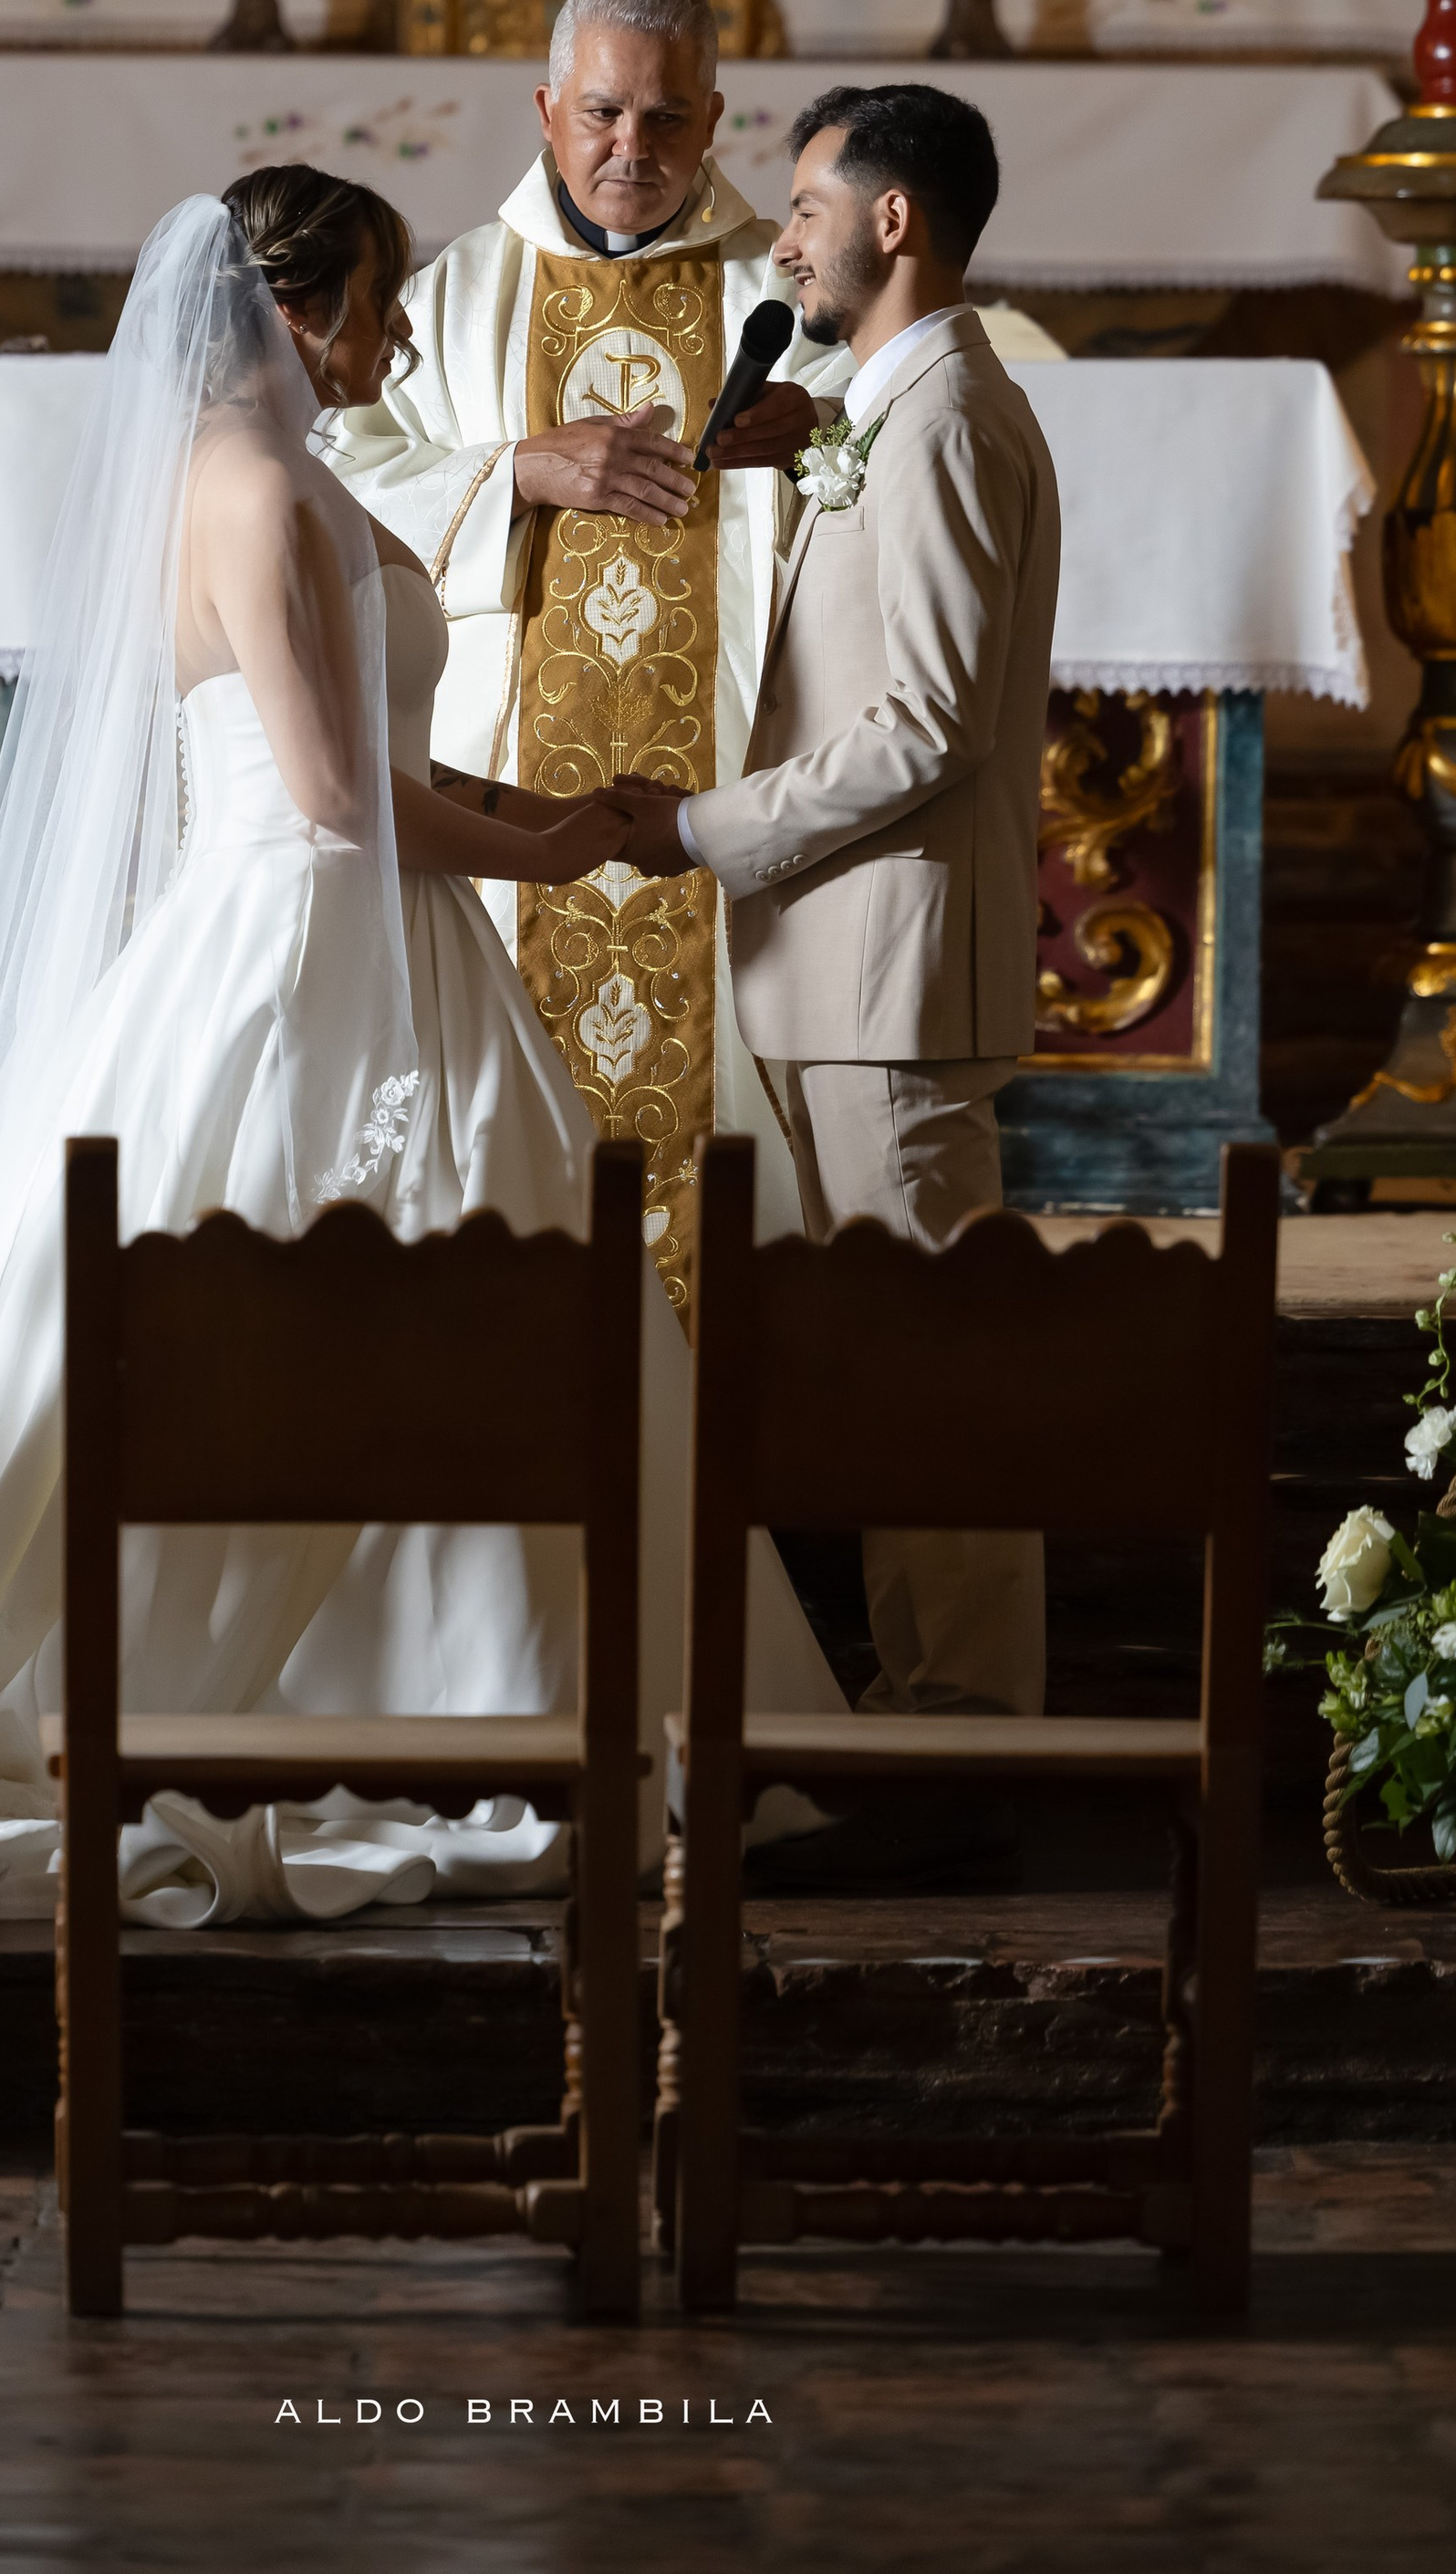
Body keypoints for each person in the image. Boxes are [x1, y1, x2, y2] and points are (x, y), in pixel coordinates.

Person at [0, 169, 840, 1926]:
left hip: (342, 930)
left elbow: (376, 761)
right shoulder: (264, 483)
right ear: (295, 311)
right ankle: (442, 1718)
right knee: (368, 1300)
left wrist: (537, 810)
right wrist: (555, 851)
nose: (404, 331)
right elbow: (336, 802)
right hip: (309, 955)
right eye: (377, 303)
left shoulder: (273, 474)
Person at [326, 0, 1064, 1309]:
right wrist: (508, 475)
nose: (630, 149)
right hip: (518, 817)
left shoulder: (792, 291)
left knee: (825, 1249)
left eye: (667, 121)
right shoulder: (456, 297)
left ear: (714, 116)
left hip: (744, 829)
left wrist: (817, 437)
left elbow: (894, 498)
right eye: (602, 114)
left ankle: (740, 1480)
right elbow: (335, 476)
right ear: (547, 109)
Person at [613, 83, 1062, 1721]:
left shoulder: (941, 415)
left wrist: (708, 828)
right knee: (891, 1364)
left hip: (896, 977)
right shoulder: (885, 405)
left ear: (893, 222)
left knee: (935, 1371)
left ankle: (967, 1734)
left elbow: (930, 725)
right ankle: (928, 1705)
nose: (780, 232)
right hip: (848, 970)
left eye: (805, 204)